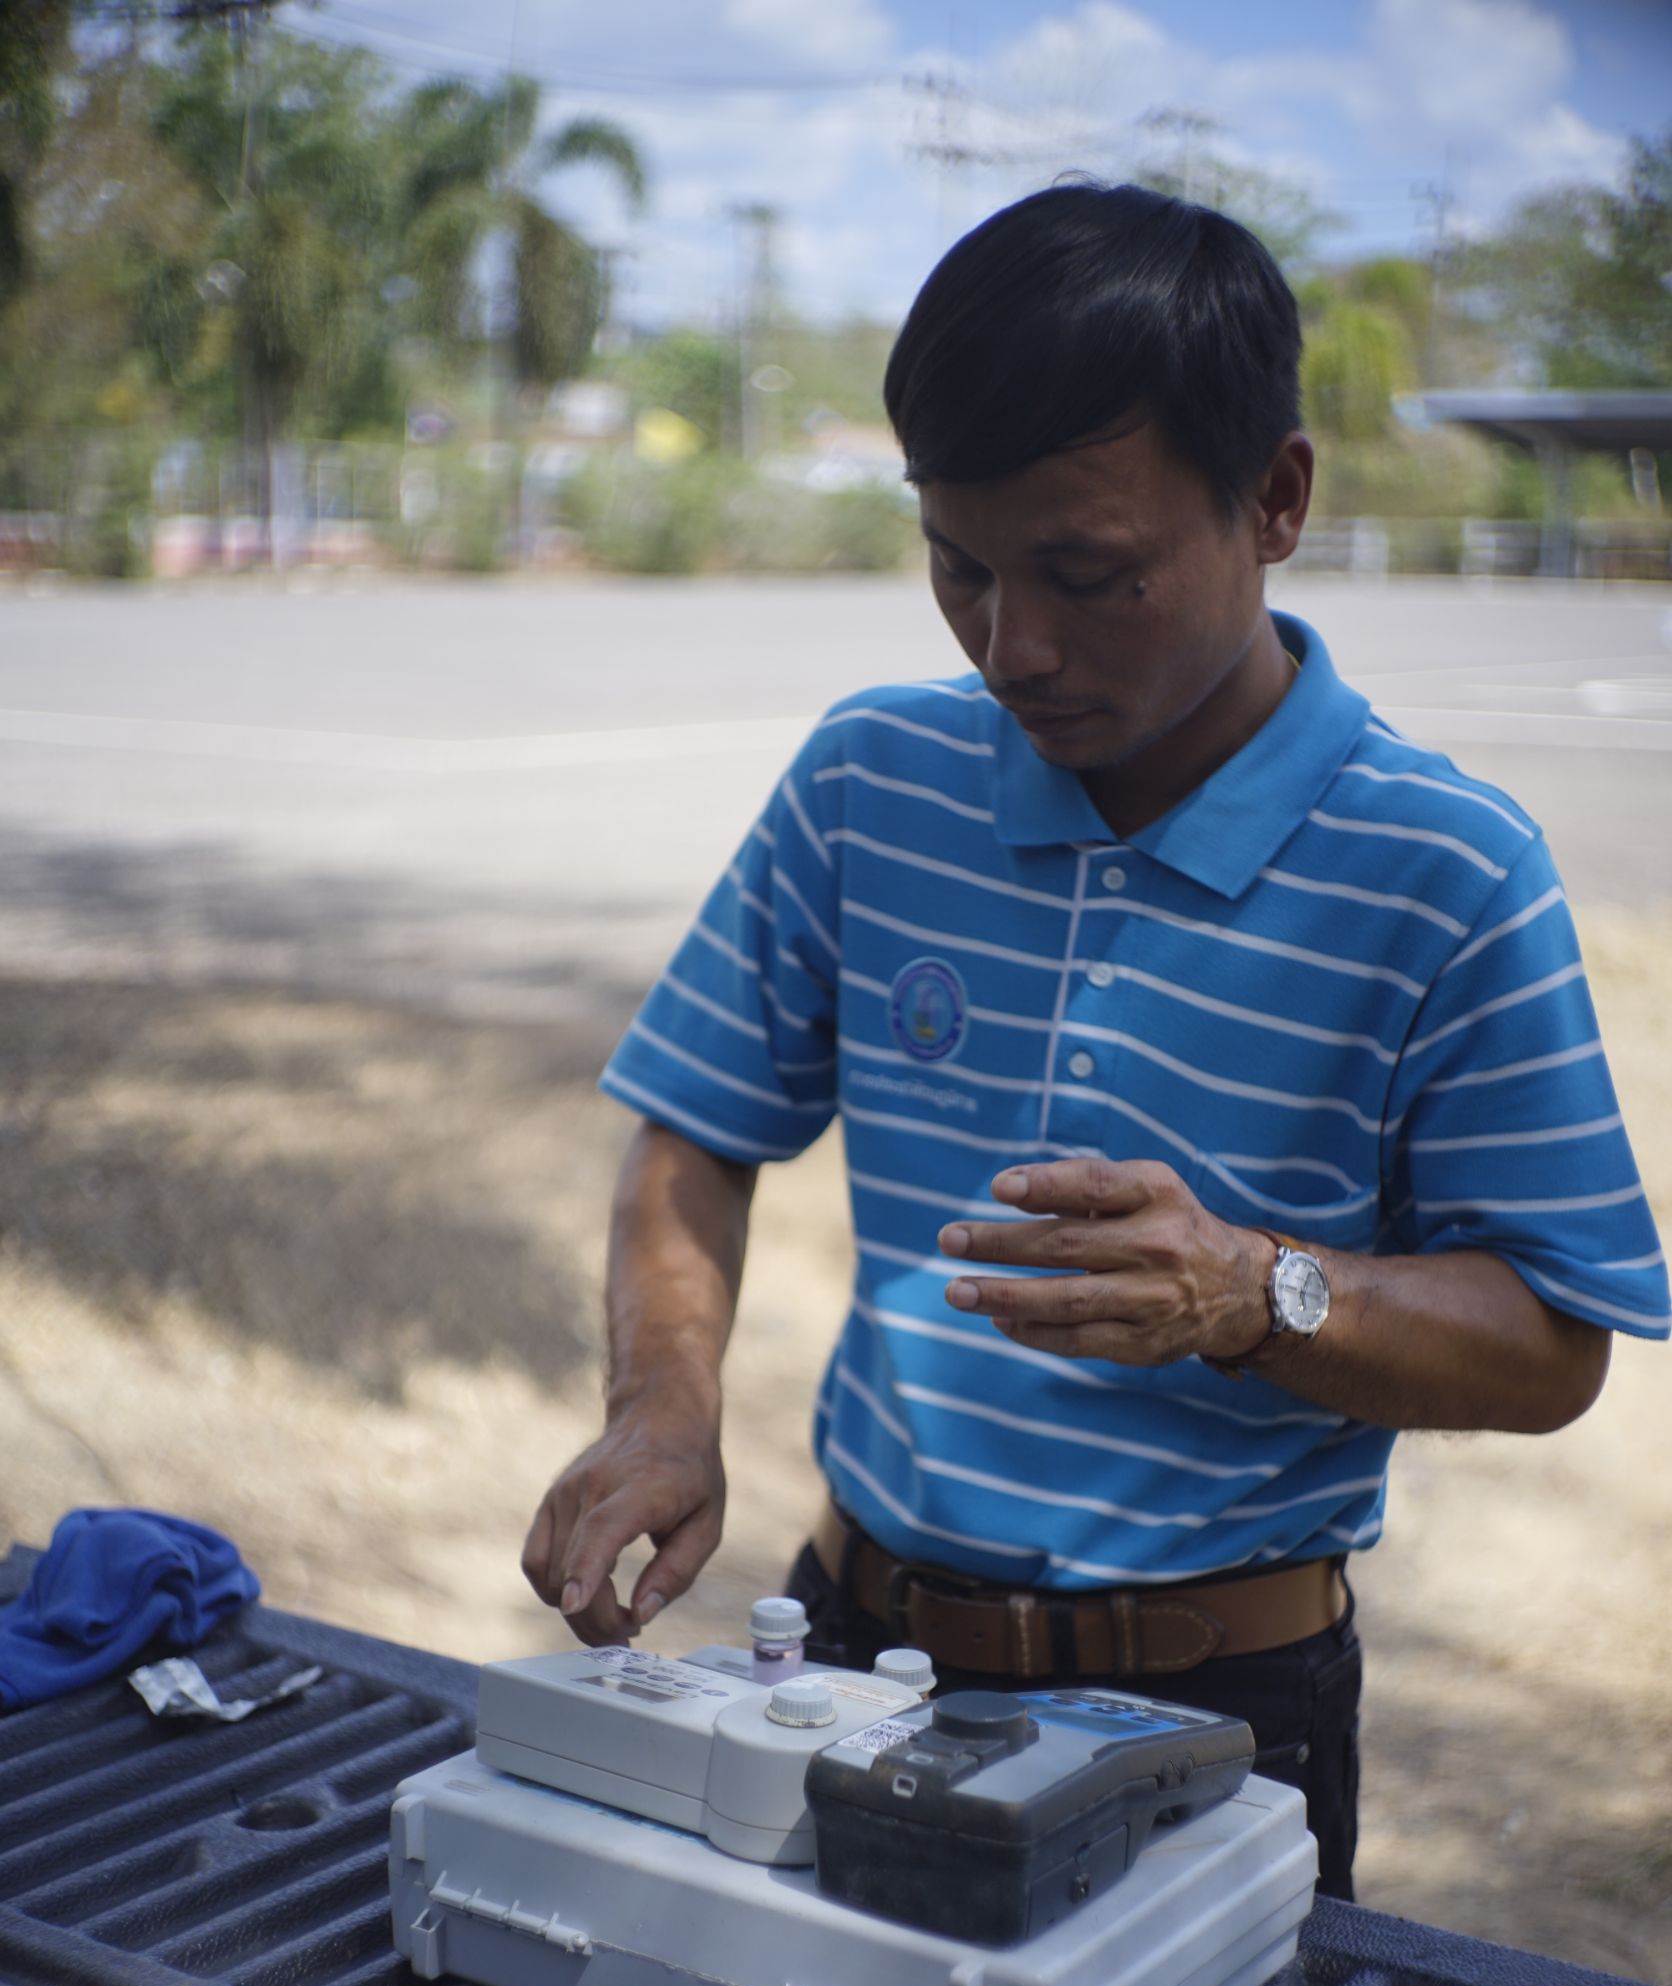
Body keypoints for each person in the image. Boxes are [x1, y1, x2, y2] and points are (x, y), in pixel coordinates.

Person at [522, 184, 1669, 1899]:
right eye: (957, 567)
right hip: (852, 1652)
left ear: (1275, 498)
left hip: (1218, 1715)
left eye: (1087, 576)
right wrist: (663, 1409)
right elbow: (697, 1126)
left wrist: (1253, 1291)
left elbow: (1551, 1338)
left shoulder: (1447, 871)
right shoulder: (870, 783)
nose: (1011, 648)